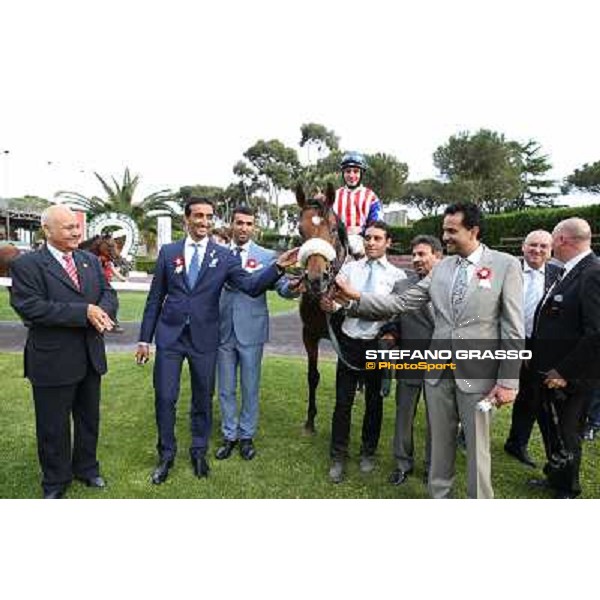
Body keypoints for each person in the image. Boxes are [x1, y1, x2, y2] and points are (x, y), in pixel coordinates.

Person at [335, 202, 524, 499]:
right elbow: (400, 303)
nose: (445, 236)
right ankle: (439, 497)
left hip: (477, 373)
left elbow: (513, 327)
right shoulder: (442, 268)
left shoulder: (505, 265)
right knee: (440, 442)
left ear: (473, 230)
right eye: (444, 230)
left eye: (452, 231)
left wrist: (509, 380)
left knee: (477, 448)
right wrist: (356, 297)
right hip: (436, 372)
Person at [136, 197, 297, 485]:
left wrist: (278, 268)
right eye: (198, 216)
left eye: (209, 217)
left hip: (206, 338)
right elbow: (154, 299)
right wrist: (144, 339)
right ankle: (166, 455)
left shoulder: (224, 257)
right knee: (165, 397)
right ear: (187, 219)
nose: (204, 222)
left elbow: (250, 286)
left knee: (202, 398)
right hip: (170, 337)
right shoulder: (168, 252)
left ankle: (199, 452)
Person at [9, 205, 118, 499]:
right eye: (68, 227)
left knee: (88, 420)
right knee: (53, 426)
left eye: (76, 226)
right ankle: (56, 481)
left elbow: (108, 293)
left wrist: (101, 312)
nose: (76, 232)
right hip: (52, 359)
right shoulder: (27, 265)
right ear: (48, 230)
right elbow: (30, 307)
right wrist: (84, 312)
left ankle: (87, 469)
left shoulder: (89, 261)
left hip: (90, 356)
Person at [320, 221, 406, 483]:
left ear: (388, 242)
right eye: (368, 238)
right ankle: (338, 456)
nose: (371, 243)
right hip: (349, 342)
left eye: (377, 238)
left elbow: (393, 313)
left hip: (376, 345)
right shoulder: (348, 269)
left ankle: (368, 451)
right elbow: (337, 301)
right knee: (343, 402)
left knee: (374, 402)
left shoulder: (398, 277)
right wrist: (330, 304)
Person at [215, 206, 296, 461]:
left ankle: (247, 436)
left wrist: (295, 287)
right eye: (239, 223)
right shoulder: (218, 254)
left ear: (254, 227)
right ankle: (230, 435)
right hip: (222, 330)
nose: (244, 228)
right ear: (231, 224)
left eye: (249, 224)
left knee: (250, 387)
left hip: (252, 330)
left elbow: (281, 286)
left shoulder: (266, 255)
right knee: (226, 388)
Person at [529, 218, 600, 498]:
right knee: (554, 429)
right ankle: (556, 476)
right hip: (551, 370)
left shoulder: (592, 272)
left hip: (571, 376)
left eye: (552, 240)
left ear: (561, 240)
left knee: (568, 432)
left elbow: (596, 333)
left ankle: (568, 488)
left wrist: (563, 371)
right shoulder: (571, 270)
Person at [379, 235, 442, 486]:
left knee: (437, 421)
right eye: (414, 254)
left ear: (437, 256)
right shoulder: (402, 286)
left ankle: (432, 468)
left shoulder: (454, 285)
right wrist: (390, 334)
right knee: (404, 417)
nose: (416, 259)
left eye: (422, 254)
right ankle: (402, 464)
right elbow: (393, 320)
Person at [503, 230, 561, 467]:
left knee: (530, 396)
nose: (537, 250)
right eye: (532, 245)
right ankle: (467, 434)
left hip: (536, 344)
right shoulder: (508, 269)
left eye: (543, 246)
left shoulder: (559, 274)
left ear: (551, 250)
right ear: (523, 248)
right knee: (484, 386)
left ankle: (517, 444)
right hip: (503, 340)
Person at [333, 151, 384, 257]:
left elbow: (377, 224)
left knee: (355, 245)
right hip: (336, 241)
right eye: (348, 171)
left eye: (356, 171)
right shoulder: (335, 196)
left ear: (361, 174)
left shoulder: (371, 197)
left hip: (362, 240)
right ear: (343, 173)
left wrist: (362, 230)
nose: (351, 175)